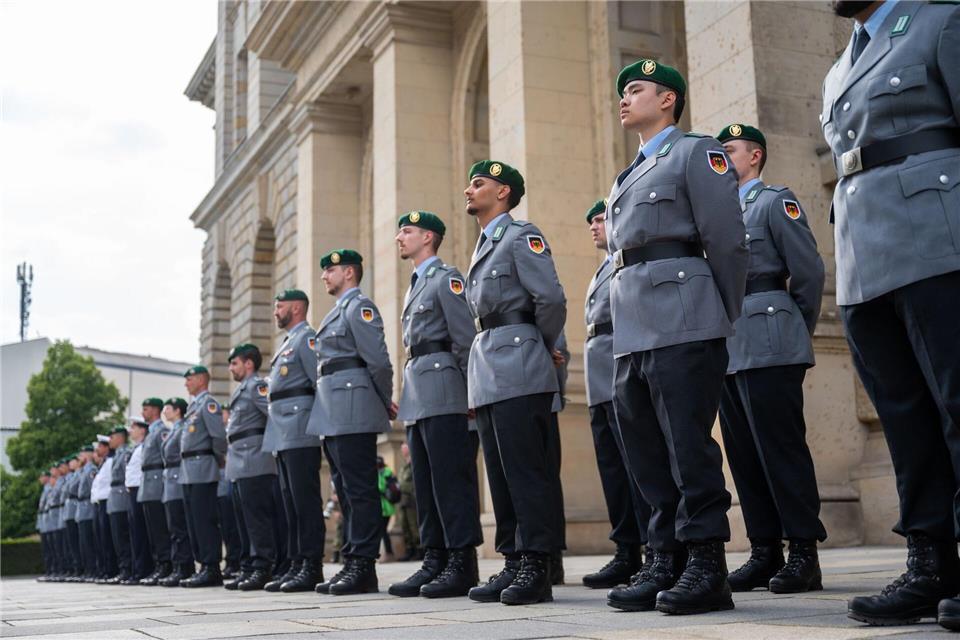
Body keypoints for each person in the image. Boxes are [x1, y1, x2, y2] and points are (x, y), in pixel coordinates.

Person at [820, 0, 960, 629]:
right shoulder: (837, 66)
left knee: (957, 402)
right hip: (863, 255)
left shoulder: (940, 20)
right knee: (903, 418)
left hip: (938, 237)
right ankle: (930, 564)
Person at [605, 59, 747, 615]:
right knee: (645, 451)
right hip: (633, 325)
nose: (624, 98)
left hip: (684, 314)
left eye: (635, 89)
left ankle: (707, 563)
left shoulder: (694, 152)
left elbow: (728, 241)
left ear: (667, 99)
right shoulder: (627, 173)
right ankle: (665, 558)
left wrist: (719, 312)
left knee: (688, 447)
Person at [716, 123, 827, 594]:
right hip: (728, 346)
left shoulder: (773, 201)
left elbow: (808, 271)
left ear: (755, 156)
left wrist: (792, 328)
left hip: (770, 336)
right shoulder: (716, 213)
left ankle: (803, 551)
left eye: (730, 151)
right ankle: (765, 551)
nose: (721, 158)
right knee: (743, 455)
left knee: (781, 449)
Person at [462, 160, 568, 606]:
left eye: (479, 183)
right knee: (502, 476)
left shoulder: (521, 235)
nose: (469, 190)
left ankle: (537, 565)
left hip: (520, 360)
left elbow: (550, 298)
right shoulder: (484, 243)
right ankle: (513, 560)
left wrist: (539, 344)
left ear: (503, 192)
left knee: (526, 471)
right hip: (489, 364)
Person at [390, 210, 483, 599]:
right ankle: (435, 558)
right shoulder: (415, 284)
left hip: (447, 391)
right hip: (420, 393)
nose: (399, 237)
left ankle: (461, 562)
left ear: (428, 237)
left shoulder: (446, 279)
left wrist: (471, 392)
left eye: (407, 231)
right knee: (426, 485)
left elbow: (465, 338)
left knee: (450, 481)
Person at [308, 249, 395, 596]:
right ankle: (351, 560)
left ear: (348, 273)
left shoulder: (360, 307)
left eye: (330, 270)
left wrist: (382, 399)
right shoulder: (337, 311)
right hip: (334, 407)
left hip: (354, 404)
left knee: (359, 489)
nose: (324, 276)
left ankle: (363, 564)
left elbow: (379, 361)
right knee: (344, 490)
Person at [579, 199, 651, 590]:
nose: (593, 226)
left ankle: (651, 547)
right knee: (612, 469)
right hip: (597, 375)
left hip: (621, 364)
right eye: (590, 221)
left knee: (636, 465)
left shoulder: (624, 261)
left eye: (600, 219)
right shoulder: (601, 269)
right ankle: (626, 549)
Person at [263, 288, 326, 593]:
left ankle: (311, 565)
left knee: (305, 503)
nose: (276, 311)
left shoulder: (306, 339)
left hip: (301, 430)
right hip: (284, 433)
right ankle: (296, 563)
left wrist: (322, 425)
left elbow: (319, 382)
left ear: (297, 308)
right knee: (291, 504)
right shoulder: (287, 343)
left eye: (281, 306)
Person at [223, 343, 281, 591]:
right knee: (244, 520)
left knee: (257, 519)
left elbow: (273, 414)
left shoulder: (257, 386)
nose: (230, 368)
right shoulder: (241, 390)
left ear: (248, 363)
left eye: (234, 362)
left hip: (254, 459)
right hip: (239, 462)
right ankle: (248, 566)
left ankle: (262, 567)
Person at [178, 365, 227, 588]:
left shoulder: (208, 404)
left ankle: (211, 566)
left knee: (205, 520)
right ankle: (203, 566)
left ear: (200, 379)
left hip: (203, 467)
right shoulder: (193, 407)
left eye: (189, 379)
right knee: (194, 521)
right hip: (189, 470)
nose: (186, 383)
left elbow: (218, 437)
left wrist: (216, 460)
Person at [159, 397, 195, 587]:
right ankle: (178, 566)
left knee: (180, 527)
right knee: (174, 528)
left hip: (178, 477)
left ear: (178, 411)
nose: (165, 411)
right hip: (169, 480)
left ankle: (184, 567)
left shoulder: (181, 428)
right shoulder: (173, 430)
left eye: (168, 408)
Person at [137, 397, 173, 586]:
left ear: (156, 410)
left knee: (160, 528)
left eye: (146, 408)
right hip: (148, 483)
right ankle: (159, 565)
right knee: (153, 529)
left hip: (157, 481)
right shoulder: (151, 432)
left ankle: (166, 564)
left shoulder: (161, 431)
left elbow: (165, 457)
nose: (143, 412)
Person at [125, 417, 154, 583]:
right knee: (135, 533)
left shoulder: (144, 447)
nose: (131, 431)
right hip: (133, 491)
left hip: (140, 490)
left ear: (142, 430)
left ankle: (143, 569)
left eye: (134, 427)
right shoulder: (136, 448)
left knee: (141, 532)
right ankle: (138, 569)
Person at [105, 426, 134, 584]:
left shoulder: (125, 453)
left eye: (113, 437)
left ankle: (127, 568)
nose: (110, 440)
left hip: (122, 495)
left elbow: (127, 475)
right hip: (115, 496)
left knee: (123, 535)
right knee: (117, 537)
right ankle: (123, 568)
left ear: (121, 437)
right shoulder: (117, 454)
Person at [91, 435, 117, 582]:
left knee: (107, 538)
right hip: (100, 502)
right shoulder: (104, 463)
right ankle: (105, 570)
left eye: (100, 446)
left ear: (107, 447)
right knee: (101, 539)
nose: (97, 449)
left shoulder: (111, 461)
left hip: (107, 501)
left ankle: (110, 570)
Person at [75, 445, 99, 581]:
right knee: (84, 543)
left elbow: (93, 489)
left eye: (82, 454)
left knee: (90, 543)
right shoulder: (84, 470)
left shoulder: (91, 470)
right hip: (82, 510)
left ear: (89, 455)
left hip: (88, 508)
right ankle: (89, 570)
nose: (80, 457)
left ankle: (93, 570)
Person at [396, 442, 419, 562]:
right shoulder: (404, 466)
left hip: (412, 499)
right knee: (404, 526)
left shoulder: (414, 464)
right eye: (402, 449)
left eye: (405, 448)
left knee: (413, 525)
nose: (403, 451)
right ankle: (410, 550)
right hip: (403, 500)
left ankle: (419, 550)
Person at [377, 456, 398, 559]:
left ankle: (388, 553)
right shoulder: (388, 472)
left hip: (384, 506)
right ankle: (388, 553)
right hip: (387, 506)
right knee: (383, 530)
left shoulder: (383, 473)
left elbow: (380, 487)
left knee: (382, 530)